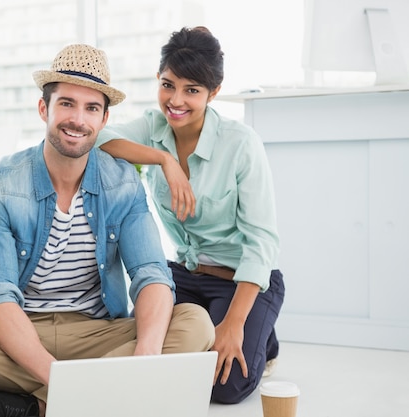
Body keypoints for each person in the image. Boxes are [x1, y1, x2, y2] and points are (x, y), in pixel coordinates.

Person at [0, 44, 215, 417]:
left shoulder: (123, 182)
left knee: (194, 323)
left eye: (91, 108)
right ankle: (92, 400)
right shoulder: (0, 184)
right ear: (44, 108)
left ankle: (28, 406)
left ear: (104, 118)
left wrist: (145, 360)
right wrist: (62, 381)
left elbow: (151, 275)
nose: (78, 119)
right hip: (18, 329)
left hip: (97, 333)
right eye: (67, 104)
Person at [95, 26, 285, 404]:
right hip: (185, 274)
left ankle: (261, 334)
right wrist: (164, 159)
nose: (176, 101)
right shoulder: (153, 127)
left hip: (242, 282)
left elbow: (261, 243)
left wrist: (233, 324)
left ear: (213, 93)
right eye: (168, 85)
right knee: (149, 356)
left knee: (223, 387)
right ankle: (249, 329)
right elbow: (100, 139)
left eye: (192, 90)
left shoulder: (241, 144)